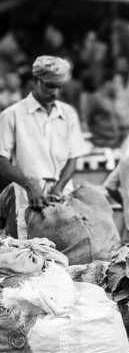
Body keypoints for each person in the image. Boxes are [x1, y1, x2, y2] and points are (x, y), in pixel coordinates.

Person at [0, 56, 86, 239]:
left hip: (62, 197)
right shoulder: (12, 115)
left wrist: (59, 188)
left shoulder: (69, 114)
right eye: (49, 86)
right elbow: (1, 160)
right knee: (29, 251)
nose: (55, 92)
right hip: (27, 197)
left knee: (66, 250)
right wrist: (29, 185)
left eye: (58, 87)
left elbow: (73, 157)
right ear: (36, 81)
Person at [84, 72, 124, 148]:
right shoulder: (96, 98)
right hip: (100, 144)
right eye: (117, 83)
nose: (118, 86)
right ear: (108, 83)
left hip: (115, 144)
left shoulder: (115, 99)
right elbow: (87, 119)